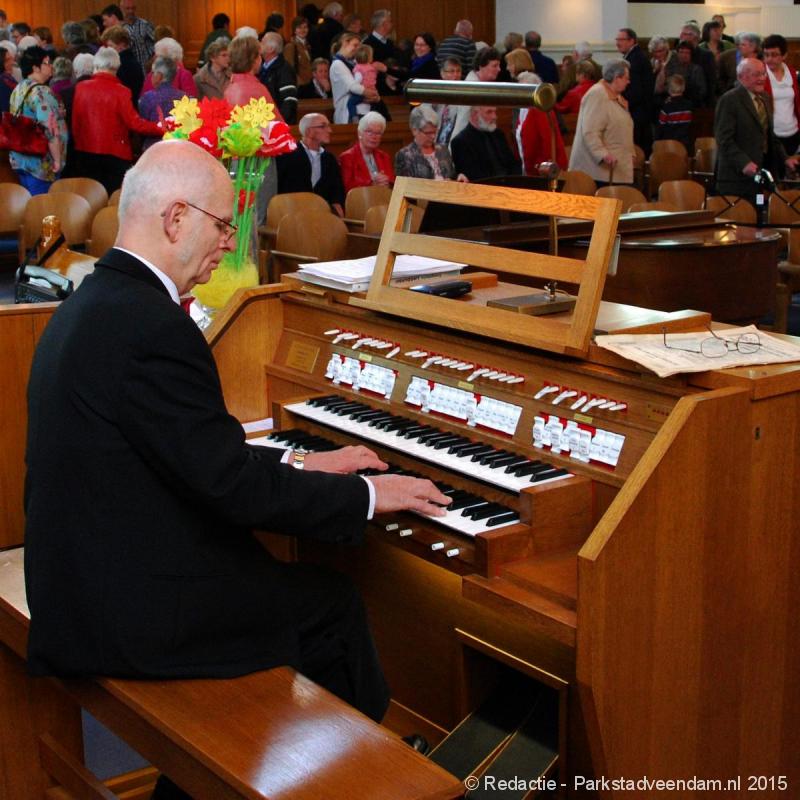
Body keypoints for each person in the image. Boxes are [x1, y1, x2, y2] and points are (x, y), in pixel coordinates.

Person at [23, 137, 451, 799]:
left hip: (87, 577)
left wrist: (304, 457)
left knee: (283, 587)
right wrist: (368, 497)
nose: (230, 242)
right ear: (175, 219)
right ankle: (360, 780)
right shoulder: (152, 327)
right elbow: (231, 487)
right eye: (224, 225)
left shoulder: (96, 301)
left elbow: (188, 452)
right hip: (126, 612)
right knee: (331, 609)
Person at [71, 46, 161, 193]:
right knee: (114, 198)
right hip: (115, 154)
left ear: (97, 65)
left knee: (90, 197)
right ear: (116, 66)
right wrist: (159, 127)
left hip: (85, 151)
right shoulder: (122, 91)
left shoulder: (80, 88)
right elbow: (134, 123)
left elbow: (76, 123)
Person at [715, 57, 800, 204]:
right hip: (737, 178)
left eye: (763, 74)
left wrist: (785, 158)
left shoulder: (765, 98)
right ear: (741, 77)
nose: (762, 79)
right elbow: (724, 139)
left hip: (762, 175)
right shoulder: (730, 100)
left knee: (762, 220)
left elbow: (769, 136)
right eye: (756, 75)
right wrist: (744, 163)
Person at [224, 35, 279, 225]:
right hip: (257, 161)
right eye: (259, 56)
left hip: (234, 162)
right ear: (253, 58)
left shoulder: (229, 88)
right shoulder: (256, 89)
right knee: (257, 218)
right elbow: (276, 127)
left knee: (239, 218)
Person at [7, 46, 66, 194]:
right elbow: (50, 129)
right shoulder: (41, 91)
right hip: (41, 162)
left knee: (30, 204)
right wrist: (57, 160)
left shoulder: (19, 88)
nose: (51, 66)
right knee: (44, 209)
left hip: (21, 157)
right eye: (47, 63)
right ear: (36, 68)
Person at [568, 59, 634, 186]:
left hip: (614, 170)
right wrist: (603, 155)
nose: (628, 81)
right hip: (600, 171)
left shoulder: (616, 96)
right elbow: (590, 131)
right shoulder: (597, 94)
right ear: (616, 78)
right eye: (626, 78)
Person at [276, 113, 345, 215]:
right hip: (291, 213)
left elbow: (337, 190)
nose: (330, 130)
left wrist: (337, 205)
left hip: (322, 214)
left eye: (329, 126)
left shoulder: (329, 158)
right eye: (323, 126)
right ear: (309, 132)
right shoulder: (287, 155)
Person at [394, 105, 464, 181]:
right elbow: (405, 187)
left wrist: (458, 178)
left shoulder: (443, 150)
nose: (433, 136)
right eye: (428, 133)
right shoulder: (405, 155)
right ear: (415, 131)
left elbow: (452, 176)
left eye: (435, 132)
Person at [450, 106, 520, 182]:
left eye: (495, 112)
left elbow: (513, 165)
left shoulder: (498, 134)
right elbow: (474, 178)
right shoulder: (460, 142)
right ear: (475, 115)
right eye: (489, 112)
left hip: (510, 187)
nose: (495, 117)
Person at [515, 72, 567, 173]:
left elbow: (547, 143)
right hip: (530, 167)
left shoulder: (540, 110)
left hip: (542, 170)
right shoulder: (523, 109)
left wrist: (543, 170)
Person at [615, 27, 654, 156]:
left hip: (637, 114)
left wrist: (621, 103)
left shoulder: (634, 60)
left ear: (632, 41)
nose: (617, 42)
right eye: (617, 39)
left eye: (621, 39)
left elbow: (636, 92)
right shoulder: (635, 57)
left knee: (637, 151)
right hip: (641, 112)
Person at [762, 34, 800, 156]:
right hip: (772, 135)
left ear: (784, 55)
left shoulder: (792, 72)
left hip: (793, 131)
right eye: (766, 55)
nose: (769, 59)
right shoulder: (761, 74)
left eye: (774, 55)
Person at [339, 111, 395, 193]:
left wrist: (387, 183)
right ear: (359, 133)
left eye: (378, 133)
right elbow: (347, 188)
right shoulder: (347, 157)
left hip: (384, 199)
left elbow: (392, 183)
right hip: (360, 202)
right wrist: (372, 184)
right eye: (369, 132)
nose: (374, 137)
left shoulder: (384, 156)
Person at [331, 33, 378, 124]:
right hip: (347, 112)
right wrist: (372, 93)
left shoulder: (354, 63)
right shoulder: (338, 64)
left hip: (362, 109)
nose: (357, 49)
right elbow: (353, 87)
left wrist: (375, 97)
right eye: (355, 45)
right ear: (345, 43)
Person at [138, 57, 183, 149]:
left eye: (153, 73)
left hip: (153, 148)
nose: (151, 76)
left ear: (159, 76)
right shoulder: (185, 98)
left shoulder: (148, 98)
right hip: (179, 147)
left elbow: (142, 127)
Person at [258, 32, 298, 124]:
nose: (259, 44)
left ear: (271, 49)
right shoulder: (260, 68)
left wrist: (280, 123)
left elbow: (289, 100)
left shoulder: (284, 69)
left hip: (277, 124)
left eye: (262, 42)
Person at [100, 24, 144, 105]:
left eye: (111, 46)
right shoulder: (134, 62)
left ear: (122, 44)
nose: (108, 50)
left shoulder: (120, 65)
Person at [679, 22, 716, 108]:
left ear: (695, 37)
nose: (681, 36)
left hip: (700, 102)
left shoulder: (706, 55)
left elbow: (711, 82)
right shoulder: (677, 54)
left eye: (685, 34)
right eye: (681, 33)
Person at [433, 57, 465, 147]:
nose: (456, 75)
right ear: (442, 74)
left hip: (456, 141)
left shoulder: (464, 94)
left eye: (458, 71)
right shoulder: (436, 93)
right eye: (451, 71)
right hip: (438, 141)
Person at [664, 41, 706, 109]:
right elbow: (666, 86)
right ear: (677, 54)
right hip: (672, 100)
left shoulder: (697, 69)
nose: (684, 55)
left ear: (691, 55)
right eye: (681, 52)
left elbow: (702, 91)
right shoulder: (671, 68)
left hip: (691, 103)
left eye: (687, 53)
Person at [717, 32, 761, 97]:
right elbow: (720, 78)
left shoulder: (762, 59)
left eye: (743, 45)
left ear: (753, 47)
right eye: (740, 44)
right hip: (731, 96)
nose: (739, 47)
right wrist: (726, 93)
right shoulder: (726, 56)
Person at [655, 75, 693, 149]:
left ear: (669, 89)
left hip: (669, 143)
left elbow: (661, 126)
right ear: (684, 87)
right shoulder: (689, 105)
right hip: (684, 143)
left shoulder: (667, 107)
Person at [119, 0, 154, 71]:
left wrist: (152, 59)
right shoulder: (119, 28)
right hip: (129, 70)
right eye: (127, 8)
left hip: (146, 68)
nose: (130, 11)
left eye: (133, 8)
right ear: (121, 9)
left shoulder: (145, 25)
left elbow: (156, 43)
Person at [284, 15, 312, 89]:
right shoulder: (290, 46)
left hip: (308, 84)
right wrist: (299, 83)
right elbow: (289, 69)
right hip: (299, 86)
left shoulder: (308, 45)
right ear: (294, 30)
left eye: (305, 27)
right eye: (299, 27)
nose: (303, 30)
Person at [0, 42, 16, 112]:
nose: (12, 62)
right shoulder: (2, 83)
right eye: (7, 60)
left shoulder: (8, 78)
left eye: (11, 58)